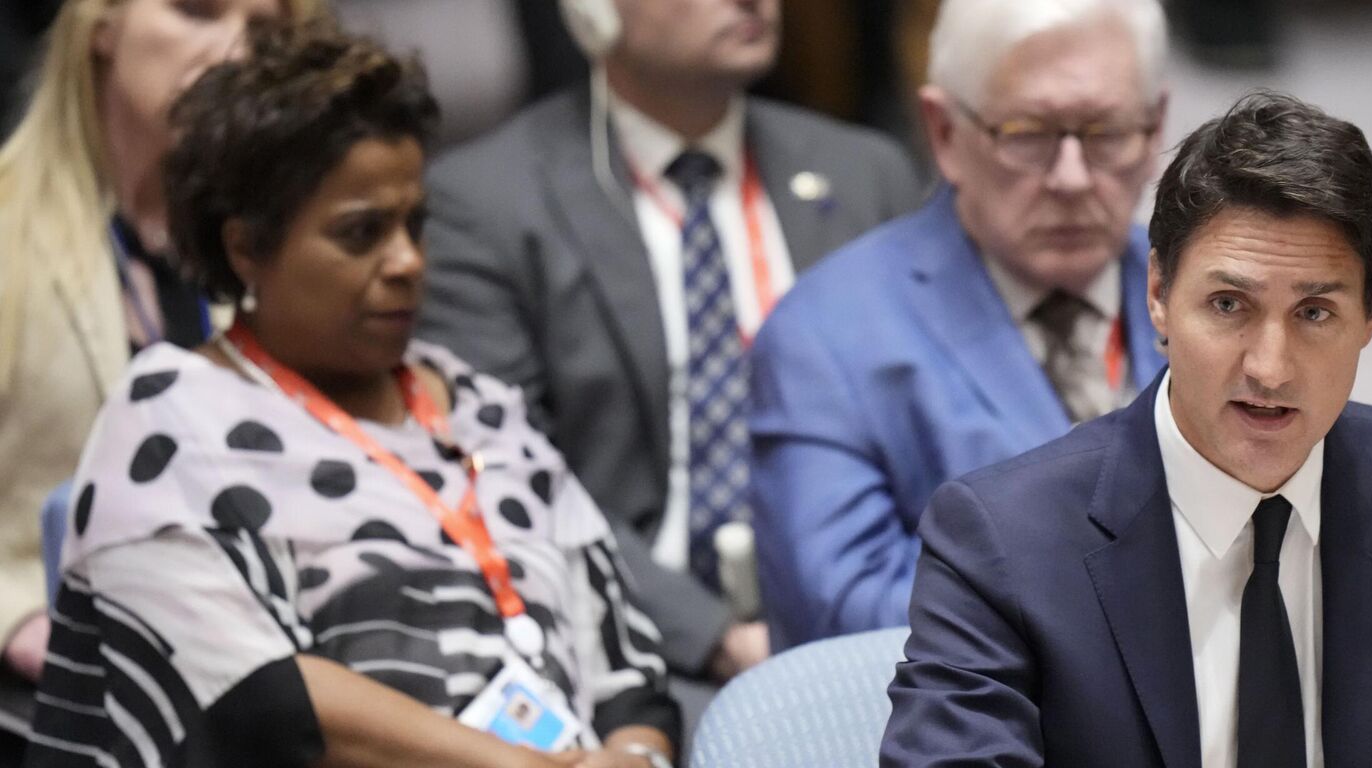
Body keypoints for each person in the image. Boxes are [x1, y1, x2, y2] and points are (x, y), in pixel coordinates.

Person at [881, 91, 1372, 768]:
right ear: (1156, 294)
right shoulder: (1001, 543)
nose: (1270, 367)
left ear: (1371, 318)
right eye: (1228, 306)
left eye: (1315, 313)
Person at [29, 22, 678, 768]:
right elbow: (261, 705)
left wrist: (632, 755)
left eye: (415, 224)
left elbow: (631, 666)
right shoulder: (173, 418)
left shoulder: (483, 410)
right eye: (361, 233)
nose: (407, 261)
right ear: (247, 248)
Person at [416, 0, 922, 706]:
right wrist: (715, 636)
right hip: (636, 646)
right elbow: (502, 471)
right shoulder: (488, 202)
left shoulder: (866, 173)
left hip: (868, 623)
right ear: (595, 14)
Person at [748, 0, 1170, 650]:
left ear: (1155, 128)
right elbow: (839, 620)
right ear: (944, 133)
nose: (1071, 177)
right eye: (1028, 134)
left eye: (1107, 133)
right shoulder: (827, 337)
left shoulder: (1221, 301)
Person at [0, 0, 324, 687]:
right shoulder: (8, 228)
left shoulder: (278, 246)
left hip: (247, 671)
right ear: (102, 25)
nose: (234, 54)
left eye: (265, 34)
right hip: (45, 691)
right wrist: (16, 615)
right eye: (197, 11)